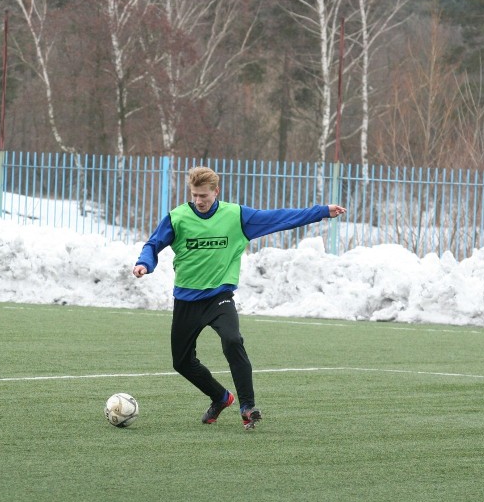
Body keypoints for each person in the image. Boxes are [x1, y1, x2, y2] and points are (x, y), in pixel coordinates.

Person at [132, 166, 346, 430]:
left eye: (204, 196)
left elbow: (280, 218)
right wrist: (144, 263)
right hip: (186, 300)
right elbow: (153, 244)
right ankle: (221, 398)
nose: (199, 201)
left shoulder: (236, 216)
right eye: (195, 195)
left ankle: (248, 407)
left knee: (233, 339)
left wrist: (322, 211)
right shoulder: (177, 218)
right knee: (182, 362)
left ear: (216, 192)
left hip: (219, 297)